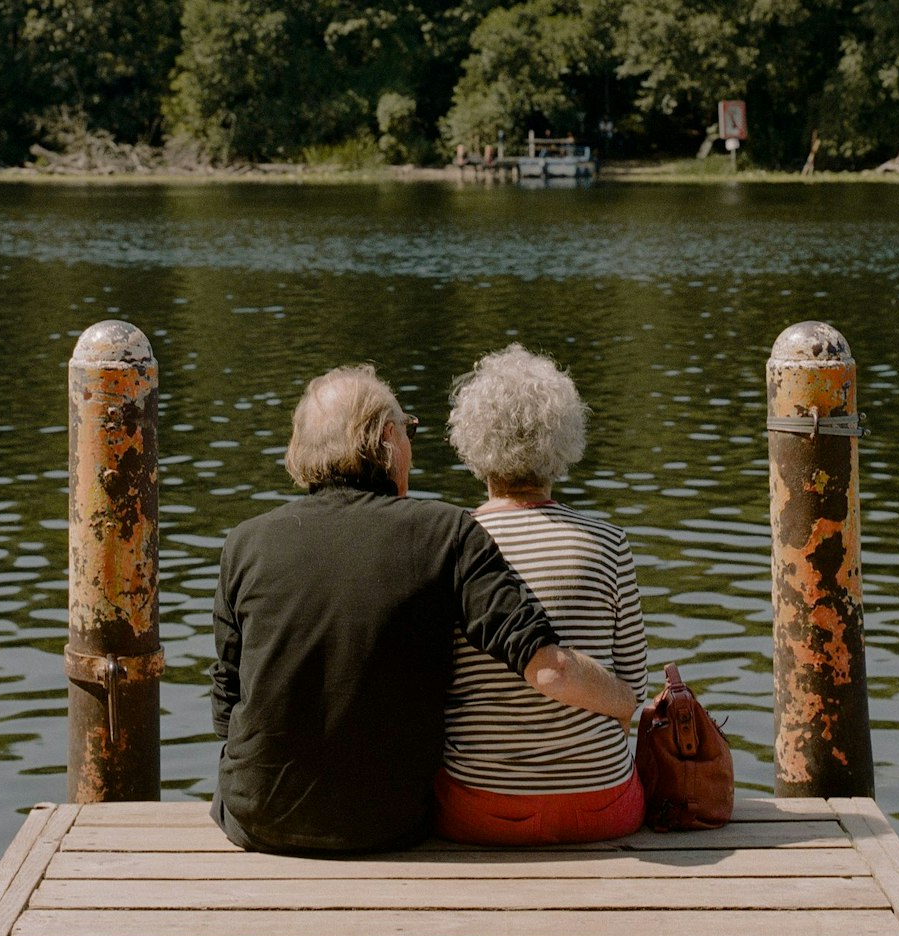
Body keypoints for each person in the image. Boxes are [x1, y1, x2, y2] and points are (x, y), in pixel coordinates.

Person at [211, 363, 637, 855]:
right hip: (389, 822)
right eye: (409, 429)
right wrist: (627, 703)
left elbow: (226, 704)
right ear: (389, 438)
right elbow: (545, 665)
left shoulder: (244, 543)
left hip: (256, 816)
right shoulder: (443, 533)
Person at [435, 344, 649, 845]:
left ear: (470, 440)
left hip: (478, 807)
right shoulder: (608, 542)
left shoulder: (449, 546)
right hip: (603, 804)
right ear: (565, 438)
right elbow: (631, 687)